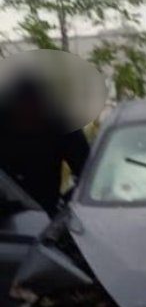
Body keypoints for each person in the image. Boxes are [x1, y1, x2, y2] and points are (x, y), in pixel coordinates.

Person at [0, 76, 89, 215]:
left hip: (46, 213)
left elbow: (87, 171)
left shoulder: (61, 124)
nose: (28, 113)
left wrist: (67, 202)